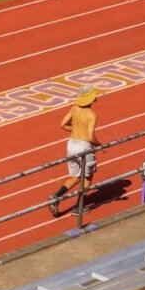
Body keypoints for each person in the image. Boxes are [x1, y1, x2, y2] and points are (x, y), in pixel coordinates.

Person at [48, 84, 101, 217]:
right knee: (87, 177)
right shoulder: (91, 115)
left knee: (76, 176)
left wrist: (77, 130)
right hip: (83, 146)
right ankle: (78, 207)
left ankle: (55, 197)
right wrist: (100, 145)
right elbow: (90, 137)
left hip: (71, 144)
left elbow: (63, 124)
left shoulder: (74, 108)